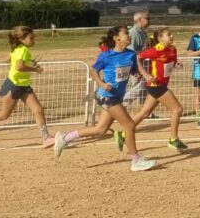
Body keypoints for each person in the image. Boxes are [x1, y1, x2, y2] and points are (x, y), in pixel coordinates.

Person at [52, 26, 157, 171]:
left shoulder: (131, 54)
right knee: (129, 125)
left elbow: (134, 69)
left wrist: (137, 74)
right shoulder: (107, 55)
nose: (129, 35)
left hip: (117, 96)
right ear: (116, 38)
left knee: (101, 129)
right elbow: (94, 70)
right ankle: (136, 160)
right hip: (107, 96)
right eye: (126, 33)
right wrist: (101, 83)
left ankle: (65, 138)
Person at [121, 27, 189, 152]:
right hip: (156, 85)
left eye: (171, 34)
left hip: (162, 84)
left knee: (144, 113)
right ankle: (173, 139)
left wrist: (176, 64)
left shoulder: (173, 49)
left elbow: (172, 62)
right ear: (160, 38)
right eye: (169, 34)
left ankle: (123, 134)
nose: (172, 36)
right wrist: (145, 74)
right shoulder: (156, 50)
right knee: (177, 109)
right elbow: (138, 58)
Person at [124, 10, 151, 109]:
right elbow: (131, 52)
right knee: (137, 88)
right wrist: (136, 69)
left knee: (143, 89)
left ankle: (145, 112)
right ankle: (120, 106)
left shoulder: (142, 32)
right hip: (137, 65)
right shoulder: (134, 33)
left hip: (142, 64)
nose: (149, 20)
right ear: (139, 20)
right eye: (147, 18)